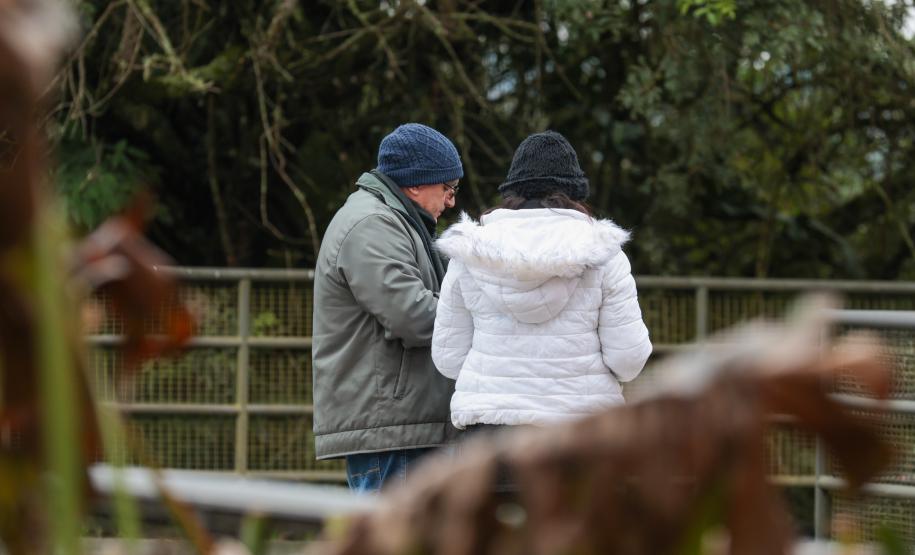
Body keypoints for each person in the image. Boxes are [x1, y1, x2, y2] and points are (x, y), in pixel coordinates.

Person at [431, 130, 652, 432]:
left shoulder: (470, 253)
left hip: (489, 434)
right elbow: (629, 359)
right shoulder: (604, 255)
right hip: (580, 432)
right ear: (574, 193)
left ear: (512, 191)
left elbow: (448, 358)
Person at [312, 123, 463, 493]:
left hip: (402, 426)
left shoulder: (394, 222)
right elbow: (412, 316)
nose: (451, 201)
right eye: (447, 188)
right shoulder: (372, 225)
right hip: (393, 430)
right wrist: (477, 318)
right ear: (414, 184)